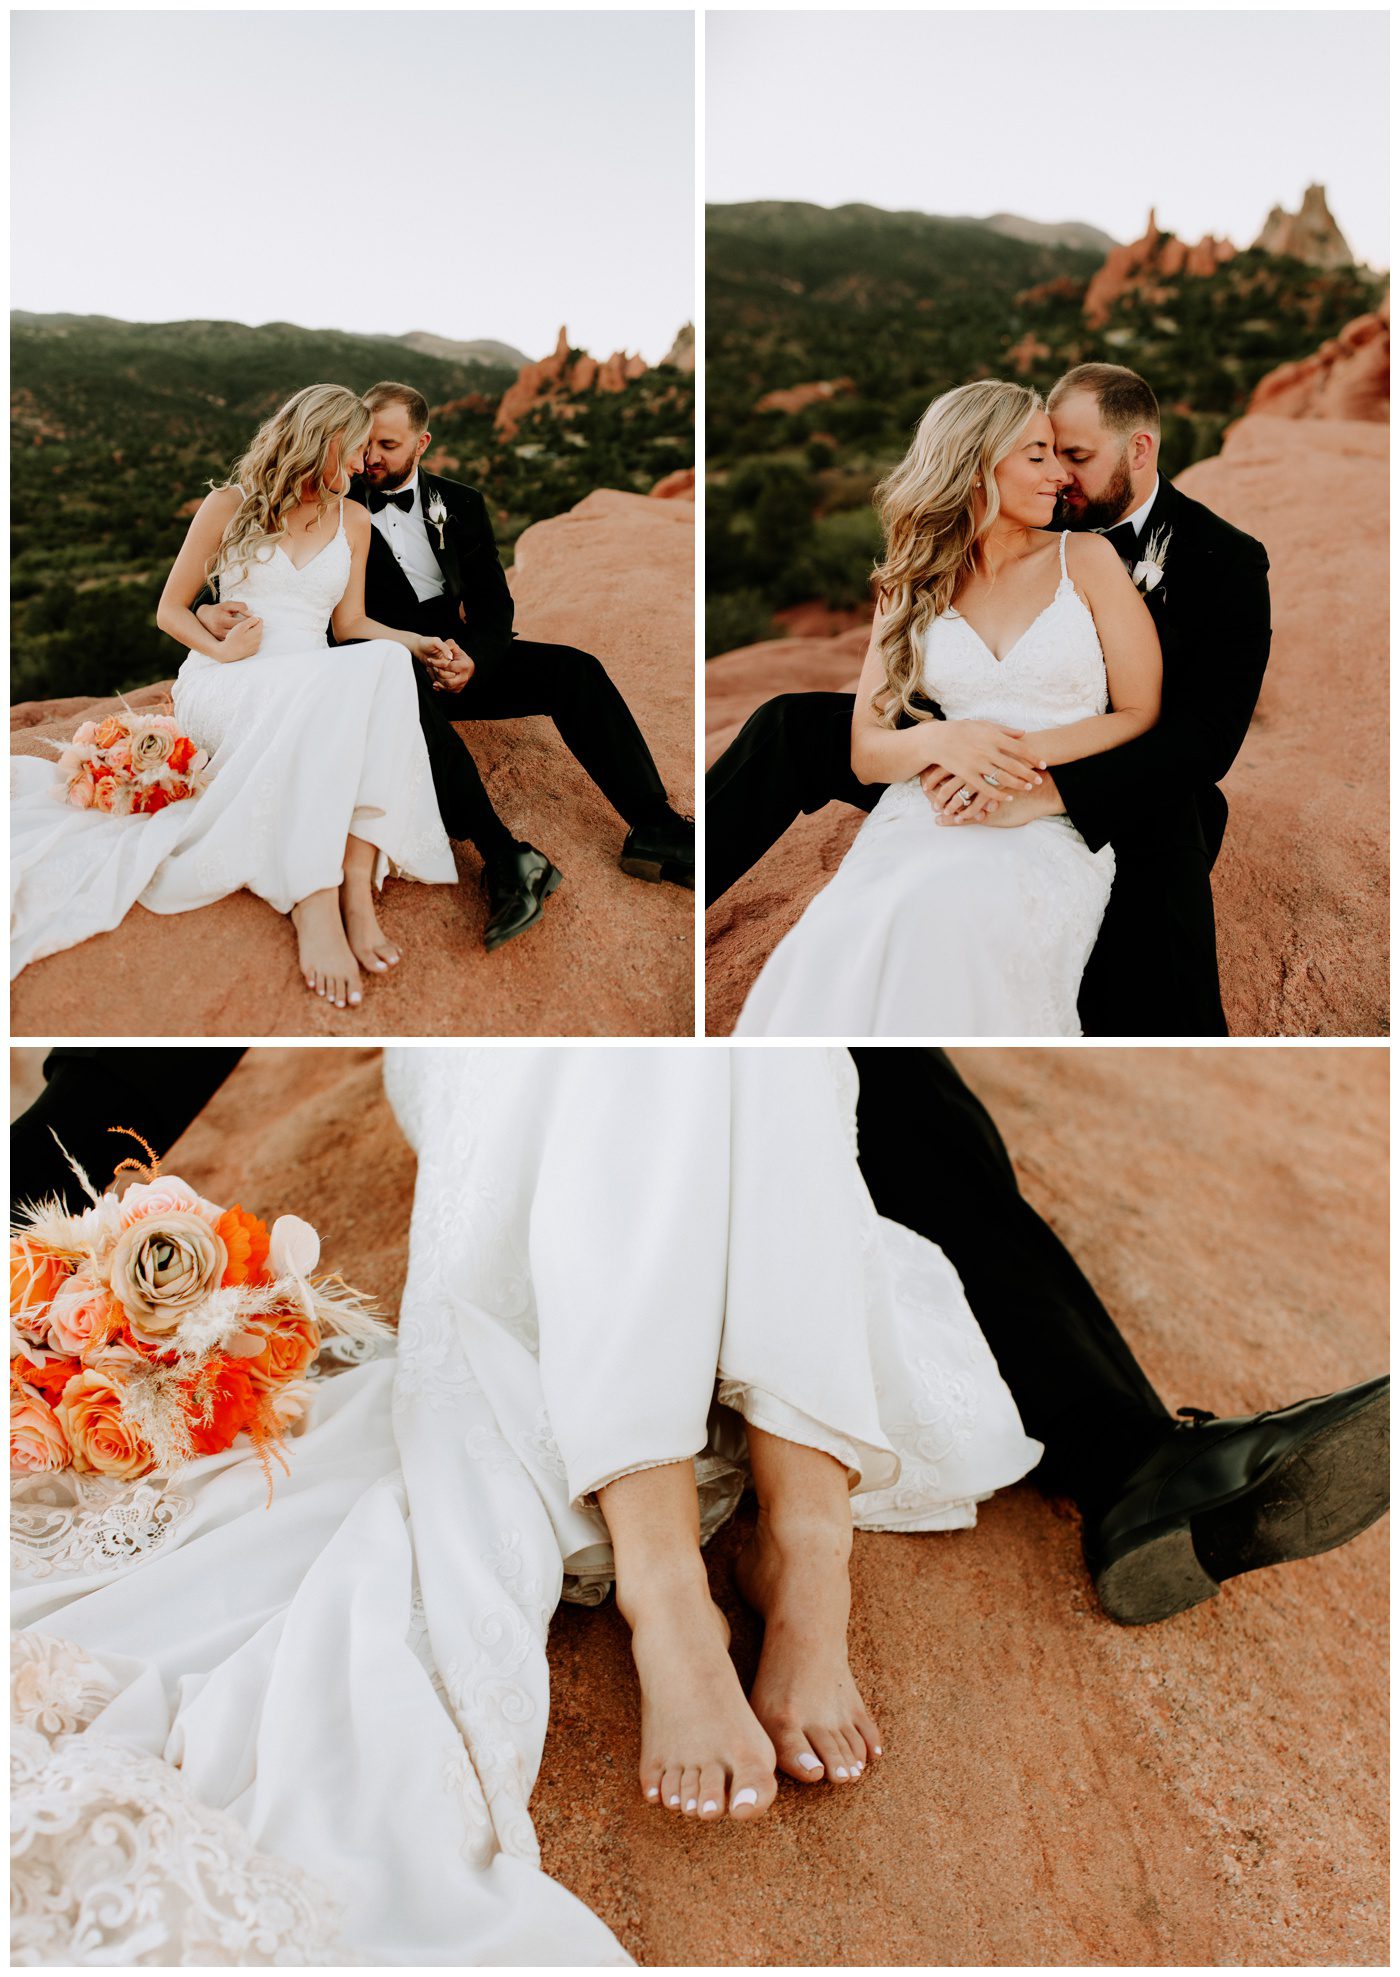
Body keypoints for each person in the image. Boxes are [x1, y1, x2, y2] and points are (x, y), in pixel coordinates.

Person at [11, 1047, 1043, 1962]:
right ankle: (671, 1587)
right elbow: (139, 1067)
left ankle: (804, 1549)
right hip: (497, 1069)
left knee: (773, 1054)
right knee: (638, 1061)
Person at [12, 1045, 1387, 1631]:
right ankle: (1131, 1456)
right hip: (516, 1064)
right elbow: (145, 1063)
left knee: (846, 1074)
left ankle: (1142, 1465)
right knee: (880, 1111)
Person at [710, 363, 1272, 1037]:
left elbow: (1199, 736)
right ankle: (692, 855)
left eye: (1075, 456)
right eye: (1046, 452)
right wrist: (942, 744)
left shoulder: (1222, 559)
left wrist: (1036, 781)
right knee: (790, 725)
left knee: (1168, 842)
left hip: (1113, 766)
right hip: (951, 743)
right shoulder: (953, 557)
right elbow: (886, 719)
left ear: (1139, 451)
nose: (1061, 474)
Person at [197, 381, 695, 951]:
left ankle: (655, 827)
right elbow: (243, 575)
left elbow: (493, 602)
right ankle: (504, 859)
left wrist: (474, 662)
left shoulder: (461, 502)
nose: (371, 458)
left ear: (421, 442)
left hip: (455, 654)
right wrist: (208, 611)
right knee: (393, 678)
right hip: (376, 660)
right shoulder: (331, 497)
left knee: (574, 670)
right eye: (366, 444)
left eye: (387, 444)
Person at [10, 385, 460, 1008]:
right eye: (356, 451)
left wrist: (419, 642)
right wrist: (220, 649)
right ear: (324, 440)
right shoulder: (229, 505)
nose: (363, 466)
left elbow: (351, 625)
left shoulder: (354, 520)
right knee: (350, 686)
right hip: (228, 677)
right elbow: (170, 610)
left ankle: (357, 880)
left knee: (379, 660)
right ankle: (314, 895)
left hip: (311, 674)